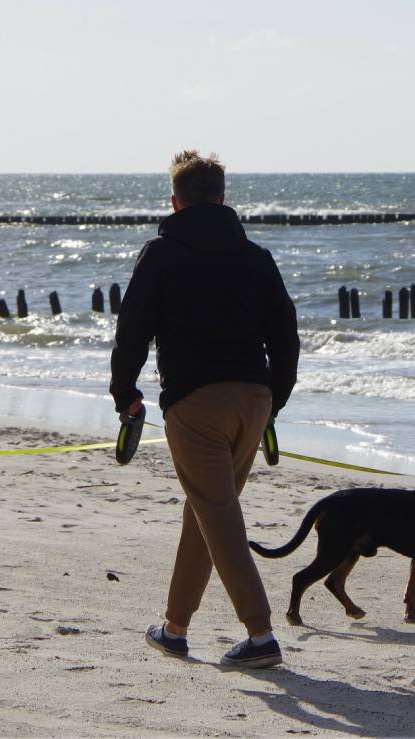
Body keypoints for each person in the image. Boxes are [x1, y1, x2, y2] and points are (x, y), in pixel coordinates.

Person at [109, 150, 299, 668]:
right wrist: (274, 403)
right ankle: (175, 627)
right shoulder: (256, 257)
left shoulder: (162, 252)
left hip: (197, 402)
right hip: (254, 399)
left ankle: (261, 636)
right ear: (221, 197)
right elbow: (286, 336)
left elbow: (133, 329)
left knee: (218, 514)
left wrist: (123, 390)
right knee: (205, 511)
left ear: (175, 201)